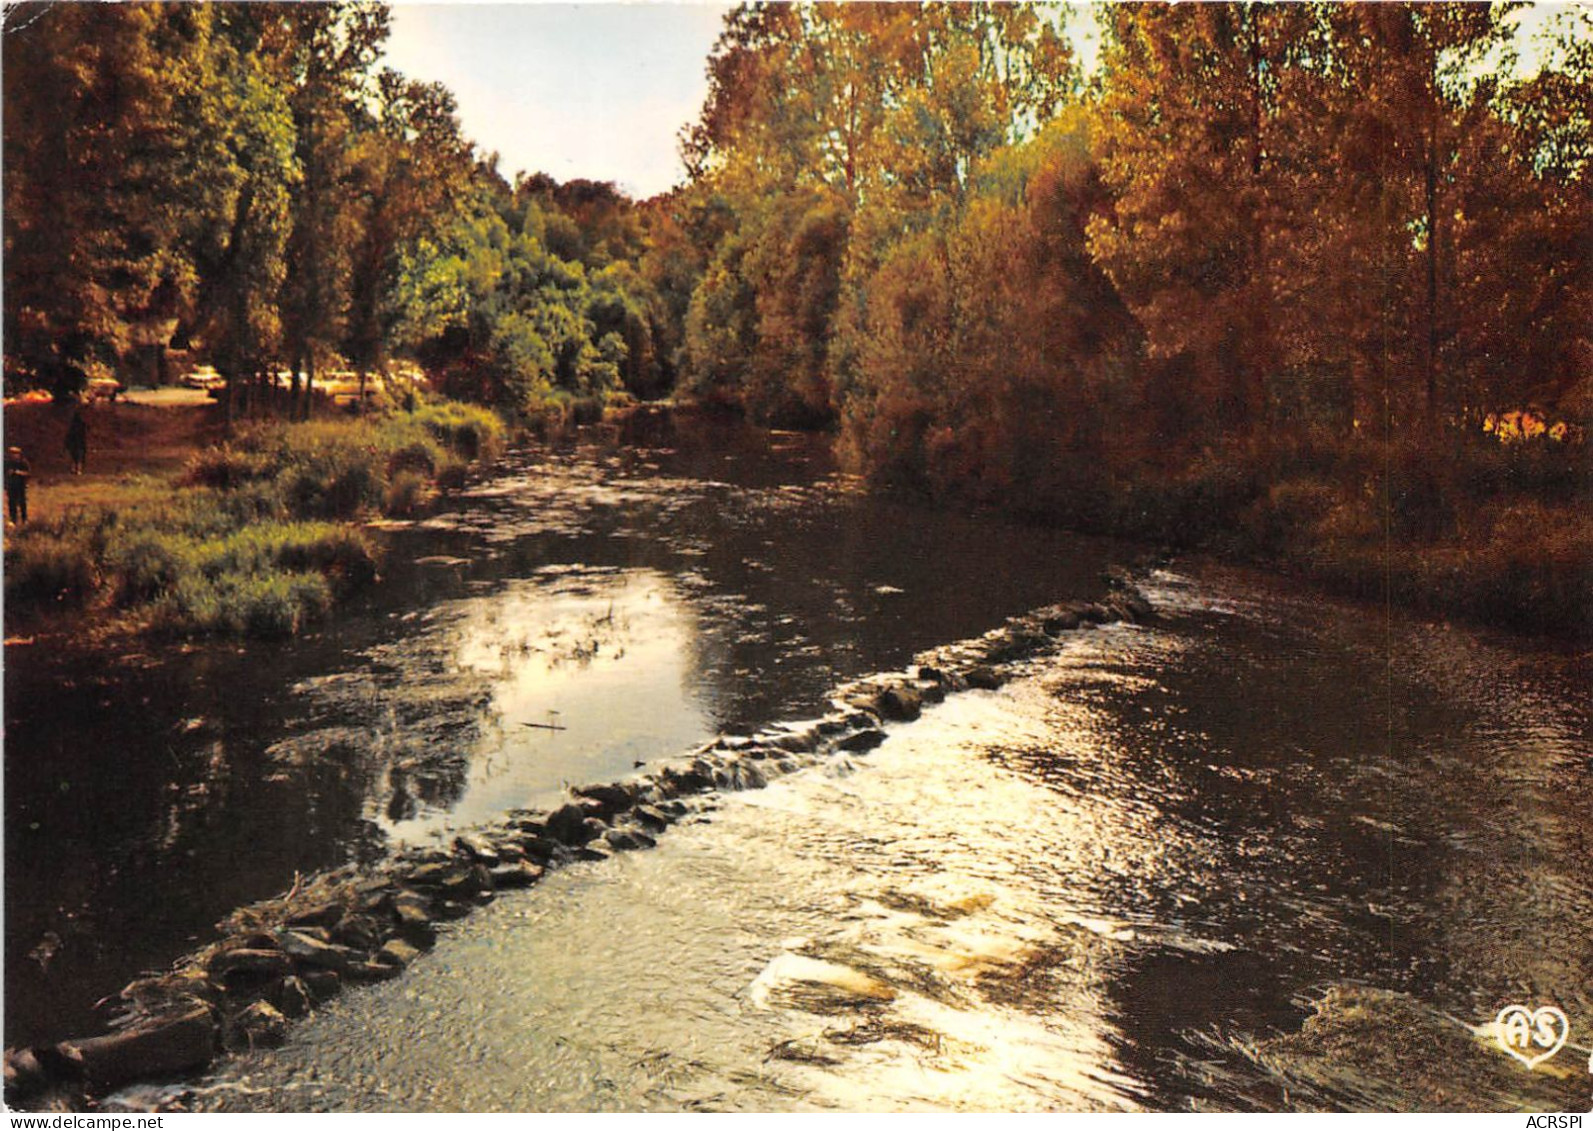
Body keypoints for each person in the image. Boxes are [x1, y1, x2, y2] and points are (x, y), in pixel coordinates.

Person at [5, 446, 31, 525]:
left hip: (21, 485)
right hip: (11, 485)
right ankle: (13, 519)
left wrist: (18, 473)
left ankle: (24, 519)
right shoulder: (7, 463)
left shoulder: (23, 462)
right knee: (11, 503)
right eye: (12, 454)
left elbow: (28, 473)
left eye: (16, 454)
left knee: (22, 502)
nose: (14, 456)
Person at [65, 407, 87, 475]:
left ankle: (74, 468)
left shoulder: (71, 427)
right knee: (79, 457)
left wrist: (67, 444)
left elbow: (68, 435)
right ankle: (79, 470)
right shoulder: (82, 426)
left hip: (73, 443)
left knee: (74, 456)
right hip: (80, 442)